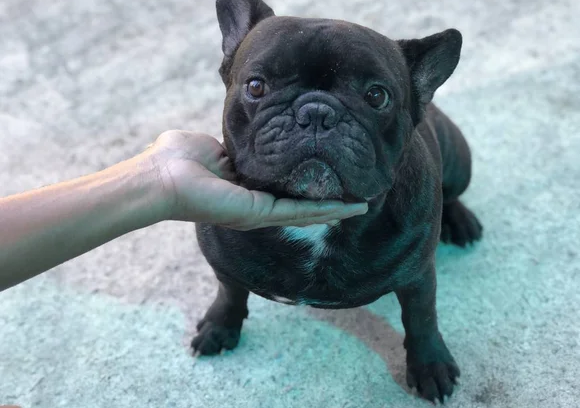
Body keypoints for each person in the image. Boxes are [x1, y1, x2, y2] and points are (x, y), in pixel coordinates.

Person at [0, 130, 368, 293]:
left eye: (374, 97)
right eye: (258, 88)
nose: (314, 122)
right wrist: (161, 178)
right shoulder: (224, 225)